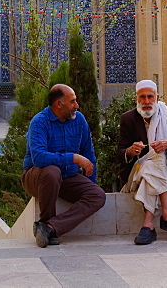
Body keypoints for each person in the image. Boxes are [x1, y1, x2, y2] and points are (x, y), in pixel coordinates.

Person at [22, 84, 106, 248]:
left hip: (68, 177)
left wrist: (90, 182)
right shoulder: (39, 122)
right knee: (52, 171)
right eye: (73, 101)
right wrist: (73, 158)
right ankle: (45, 220)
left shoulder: (79, 120)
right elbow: (39, 158)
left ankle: (50, 227)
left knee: (97, 195)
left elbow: (88, 154)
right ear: (59, 104)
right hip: (37, 177)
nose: (77, 105)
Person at [117, 79, 167, 244]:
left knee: (154, 163)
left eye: (150, 97)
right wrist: (129, 151)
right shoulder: (128, 119)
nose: (146, 101)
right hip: (135, 173)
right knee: (151, 162)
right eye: (142, 97)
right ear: (136, 99)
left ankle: (148, 225)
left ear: (157, 98)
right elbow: (119, 154)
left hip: (156, 175)